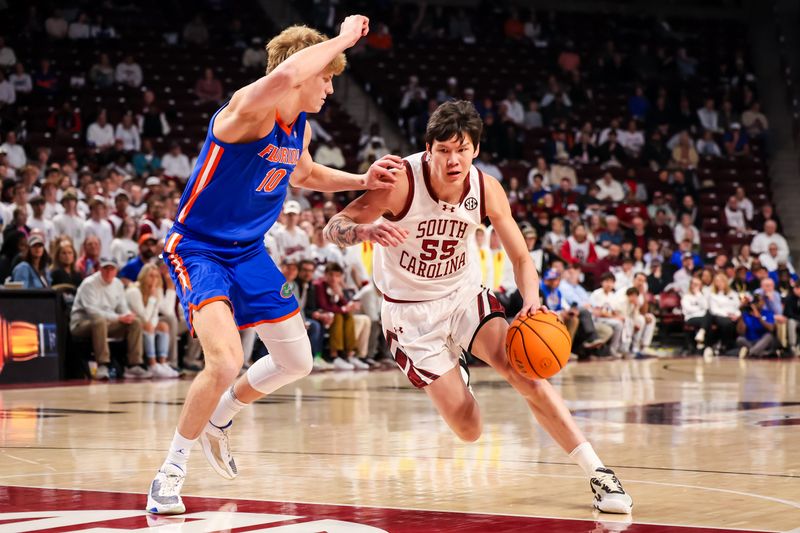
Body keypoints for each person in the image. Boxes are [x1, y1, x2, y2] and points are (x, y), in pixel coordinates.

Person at [146, 17, 405, 515]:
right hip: (199, 248)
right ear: (303, 71)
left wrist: (362, 179)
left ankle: (221, 419)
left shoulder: (298, 124)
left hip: (248, 252)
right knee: (224, 360)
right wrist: (345, 36)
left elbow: (302, 171)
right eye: (327, 76)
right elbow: (284, 78)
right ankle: (169, 473)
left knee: (297, 361)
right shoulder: (246, 110)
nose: (331, 88)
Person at [323, 101, 632, 513]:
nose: (453, 160)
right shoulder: (399, 184)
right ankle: (458, 368)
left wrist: (531, 303)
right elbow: (333, 226)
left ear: (476, 150)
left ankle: (598, 473)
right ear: (428, 148)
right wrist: (363, 228)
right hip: (412, 315)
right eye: (444, 150)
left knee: (526, 374)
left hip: (464, 295)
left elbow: (522, 258)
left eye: (462, 149)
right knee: (469, 429)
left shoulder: (486, 189)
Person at [70, 257, 148, 380]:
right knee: (99, 321)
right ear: (100, 269)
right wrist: (118, 317)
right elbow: (92, 312)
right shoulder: (89, 284)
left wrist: (127, 315)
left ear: (116, 271)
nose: (108, 271)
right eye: (105, 268)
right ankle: (103, 364)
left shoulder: (118, 284)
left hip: (108, 322)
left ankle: (134, 365)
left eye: (112, 268)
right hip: (81, 324)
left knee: (135, 322)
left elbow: (122, 306)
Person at [127, 263, 178, 378]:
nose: (154, 279)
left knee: (163, 326)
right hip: (133, 323)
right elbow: (144, 317)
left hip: (146, 323)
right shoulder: (134, 291)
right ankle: (152, 364)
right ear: (143, 276)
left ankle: (163, 363)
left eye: (156, 276)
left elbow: (164, 313)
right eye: (151, 276)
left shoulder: (154, 290)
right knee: (149, 326)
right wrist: (152, 299)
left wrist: (170, 288)